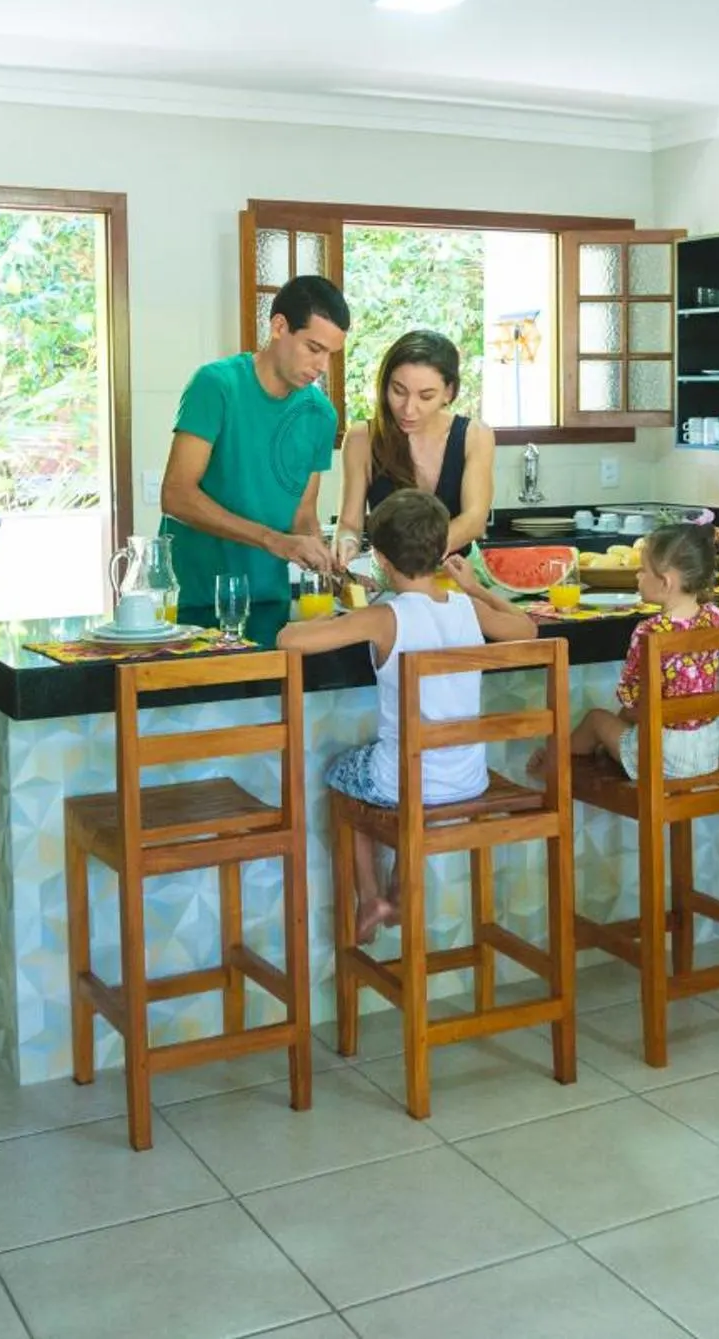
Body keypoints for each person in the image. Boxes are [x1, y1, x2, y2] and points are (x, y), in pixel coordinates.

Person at [278, 489, 537, 944]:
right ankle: (397, 891)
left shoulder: (383, 617)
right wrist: (476, 587)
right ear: (442, 551)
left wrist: (331, 618)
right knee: (404, 776)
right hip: (468, 779)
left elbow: (288, 640)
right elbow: (528, 629)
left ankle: (371, 896)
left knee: (340, 776)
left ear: (379, 559)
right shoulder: (466, 608)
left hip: (404, 783)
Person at [158, 275, 349, 608]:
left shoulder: (321, 415)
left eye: (330, 354)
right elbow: (176, 496)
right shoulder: (216, 385)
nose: (322, 366)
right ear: (279, 327)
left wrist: (325, 563)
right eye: (314, 348)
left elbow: (303, 515)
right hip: (197, 599)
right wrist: (272, 540)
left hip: (268, 600)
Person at [543, 522, 719, 783]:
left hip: (663, 756)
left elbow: (630, 699)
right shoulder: (714, 616)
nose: (637, 576)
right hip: (706, 752)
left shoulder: (649, 631)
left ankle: (549, 768)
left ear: (665, 582)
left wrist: (616, 728)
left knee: (596, 720)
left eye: (642, 570)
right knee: (621, 727)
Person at [335, 329, 495, 556]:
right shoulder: (361, 438)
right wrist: (346, 542)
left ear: (448, 392)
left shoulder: (475, 435)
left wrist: (416, 559)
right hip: (389, 574)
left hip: (458, 572)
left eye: (426, 396)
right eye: (398, 391)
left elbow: (474, 520)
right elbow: (349, 525)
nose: (409, 409)